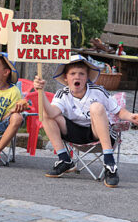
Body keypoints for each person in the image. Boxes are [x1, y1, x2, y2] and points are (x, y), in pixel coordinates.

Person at [34, 54, 138, 188]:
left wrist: (131, 116)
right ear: (66, 78)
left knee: (96, 106)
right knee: (46, 114)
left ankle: (109, 163)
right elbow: (52, 112)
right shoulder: (62, 94)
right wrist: (40, 92)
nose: (77, 77)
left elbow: (118, 110)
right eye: (72, 73)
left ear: (87, 77)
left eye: (81, 74)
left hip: (98, 133)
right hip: (73, 134)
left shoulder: (98, 91)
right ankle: (64, 159)